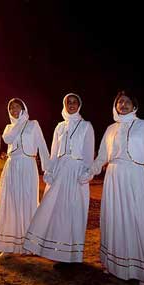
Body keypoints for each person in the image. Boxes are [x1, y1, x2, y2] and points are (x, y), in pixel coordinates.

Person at [83, 90, 144, 285]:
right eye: (120, 101)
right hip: (113, 179)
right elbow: (102, 156)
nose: (123, 104)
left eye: (127, 102)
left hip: (136, 178)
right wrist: (90, 172)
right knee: (116, 221)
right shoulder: (111, 129)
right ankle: (115, 266)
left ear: (134, 106)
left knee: (139, 221)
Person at [23, 93, 94, 263]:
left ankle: (72, 256)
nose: (71, 105)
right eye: (68, 102)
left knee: (73, 211)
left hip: (77, 172)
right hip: (60, 171)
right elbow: (54, 153)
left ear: (80, 105)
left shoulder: (86, 126)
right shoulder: (60, 127)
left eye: (74, 102)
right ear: (64, 105)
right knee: (54, 210)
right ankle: (54, 250)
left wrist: (87, 172)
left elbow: (89, 152)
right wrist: (49, 171)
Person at [0, 98, 50, 260]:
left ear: (24, 108)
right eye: (11, 108)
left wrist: (48, 170)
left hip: (28, 166)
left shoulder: (33, 124)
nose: (14, 110)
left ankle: (30, 245)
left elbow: (42, 146)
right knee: (10, 204)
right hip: (12, 167)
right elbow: (8, 140)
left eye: (17, 106)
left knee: (29, 202)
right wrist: (19, 122)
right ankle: (7, 247)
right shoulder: (8, 128)